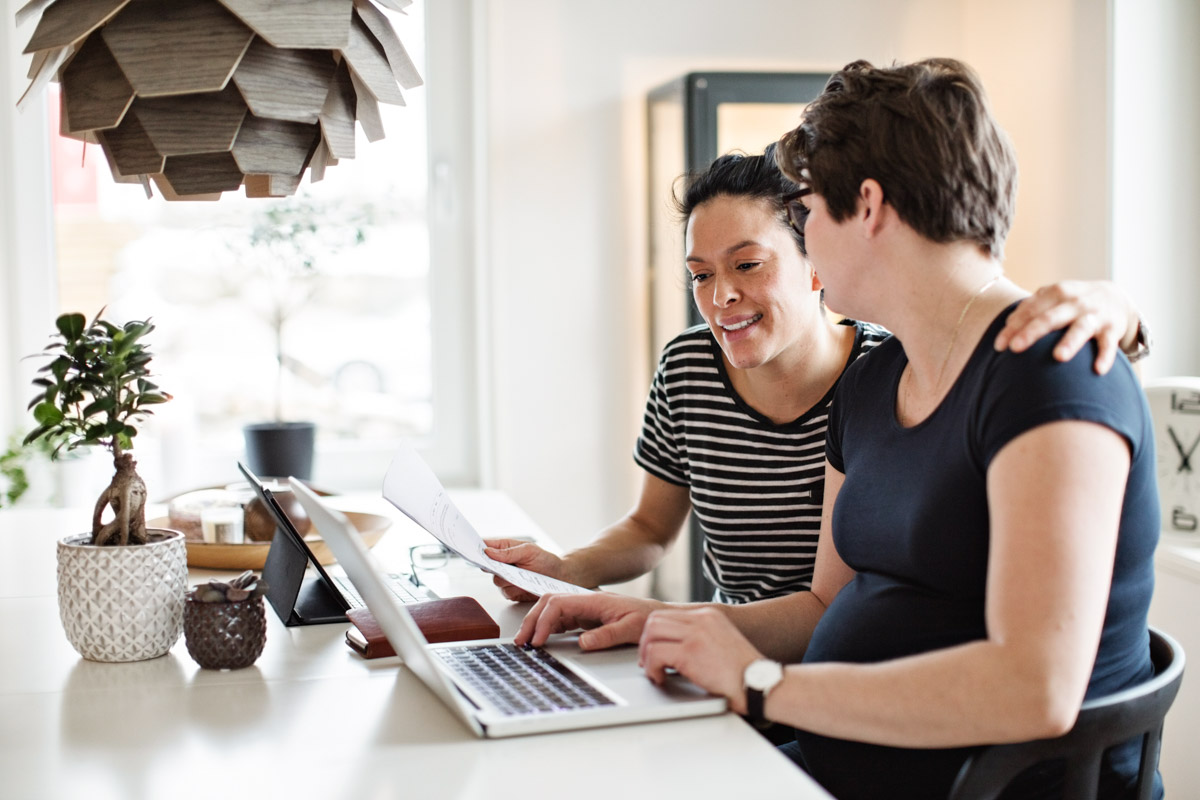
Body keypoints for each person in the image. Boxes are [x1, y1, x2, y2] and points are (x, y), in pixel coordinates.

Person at [514, 58, 1160, 800]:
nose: (806, 235)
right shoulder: (875, 381)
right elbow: (824, 607)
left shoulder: (1051, 369)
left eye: (810, 210)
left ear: (870, 206)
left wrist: (760, 685)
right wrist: (660, 620)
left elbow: (1035, 687)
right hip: (831, 759)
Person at [485, 147, 1148, 606]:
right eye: (701, 275)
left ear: (816, 262)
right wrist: (566, 571)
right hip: (730, 646)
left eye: (747, 265)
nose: (720, 297)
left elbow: (988, 335)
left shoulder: (886, 373)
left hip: (820, 662)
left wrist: (1117, 307)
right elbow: (650, 530)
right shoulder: (686, 369)